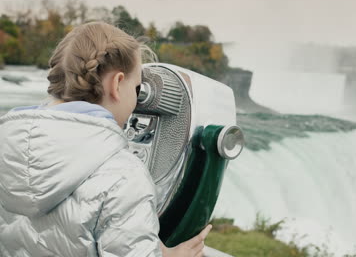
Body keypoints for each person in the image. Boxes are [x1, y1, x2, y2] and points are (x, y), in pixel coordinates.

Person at [0, 21, 211, 257]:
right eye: (137, 89)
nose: (136, 102)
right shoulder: (123, 176)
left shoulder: (7, 150)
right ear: (117, 83)